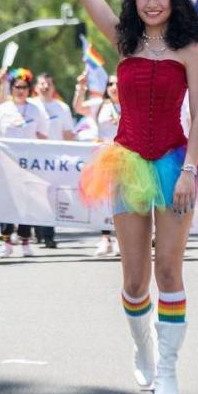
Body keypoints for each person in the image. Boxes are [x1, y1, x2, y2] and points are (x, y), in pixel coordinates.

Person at [74, 0, 198, 394]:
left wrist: (188, 171)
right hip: (126, 162)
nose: (152, 3)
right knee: (135, 280)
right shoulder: (124, 39)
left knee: (169, 270)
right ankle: (142, 345)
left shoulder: (190, 49)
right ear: (133, 1)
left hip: (173, 164)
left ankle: (167, 369)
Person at [0, 67, 49, 257]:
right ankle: (6, 242)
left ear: (29, 89)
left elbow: (43, 135)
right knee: (7, 203)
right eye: (17, 86)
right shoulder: (3, 109)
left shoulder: (36, 110)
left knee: (26, 203)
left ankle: (25, 241)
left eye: (24, 87)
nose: (20, 90)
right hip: (7, 163)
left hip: (28, 164)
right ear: (11, 88)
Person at [74, 71, 123, 257]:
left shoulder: (131, 104)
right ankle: (105, 239)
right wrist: (81, 87)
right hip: (104, 156)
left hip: (127, 156)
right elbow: (79, 107)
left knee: (122, 199)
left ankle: (121, 238)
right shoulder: (100, 105)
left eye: (118, 83)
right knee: (104, 198)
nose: (114, 87)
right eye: (110, 84)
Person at [33, 72, 76, 248]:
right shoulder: (31, 106)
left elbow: (68, 134)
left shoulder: (62, 108)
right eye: (41, 84)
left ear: (53, 88)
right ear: (36, 88)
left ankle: (49, 234)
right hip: (34, 158)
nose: (45, 87)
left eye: (48, 84)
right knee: (36, 195)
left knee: (51, 196)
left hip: (54, 159)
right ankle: (37, 230)